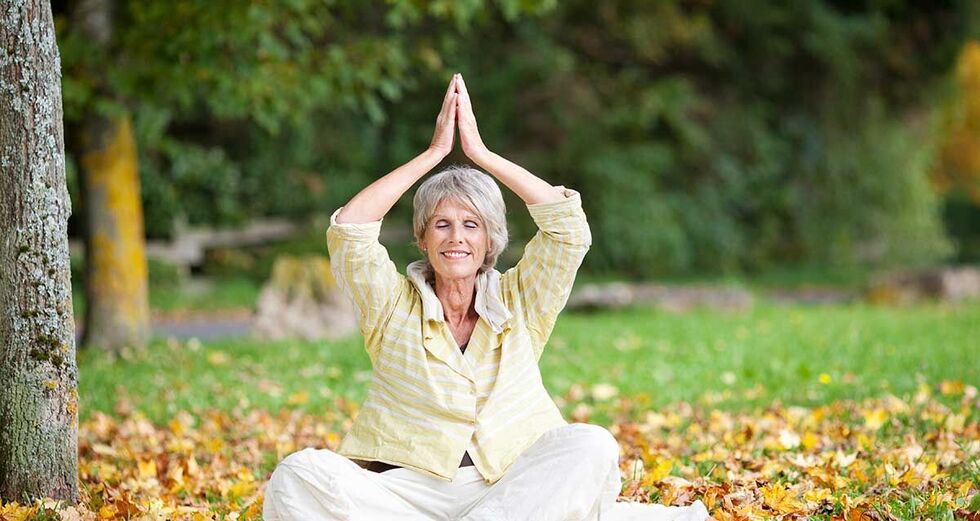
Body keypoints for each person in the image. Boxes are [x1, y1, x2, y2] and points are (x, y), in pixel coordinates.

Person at [262, 73, 710, 521]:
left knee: (591, 444)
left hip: (514, 488)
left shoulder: (521, 299)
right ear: (421, 238)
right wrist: (433, 154)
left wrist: (481, 154)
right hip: (408, 496)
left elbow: (568, 231)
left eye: (471, 224)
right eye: (441, 224)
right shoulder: (391, 305)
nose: (456, 237)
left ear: (490, 239)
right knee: (298, 474)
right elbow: (350, 231)